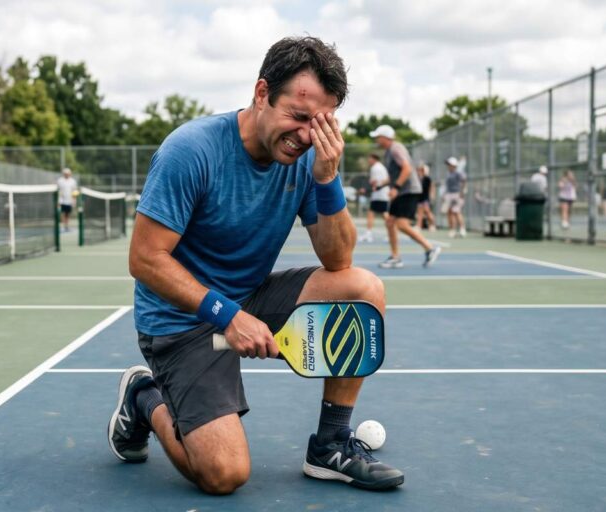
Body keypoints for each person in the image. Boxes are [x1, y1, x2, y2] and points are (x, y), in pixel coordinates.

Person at [107, 36, 404, 495]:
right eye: (298, 117)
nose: (307, 135)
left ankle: (330, 445)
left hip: (248, 296)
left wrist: (327, 179)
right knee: (224, 475)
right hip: (179, 321)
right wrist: (229, 316)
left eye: (320, 122)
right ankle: (144, 396)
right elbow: (145, 259)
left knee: (362, 289)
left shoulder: (309, 159)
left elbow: (338, 260)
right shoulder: (191, 150)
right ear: (261, 93)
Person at [370, 124, 441, 268]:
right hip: (403, 191)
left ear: (385, 137)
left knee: (401, 224)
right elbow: (394, 176)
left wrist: (396, 188)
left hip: (409, 191)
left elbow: (407, 168)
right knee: (390, 222)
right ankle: (396, 257)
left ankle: (430, 248)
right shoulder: (389, 152)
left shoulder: (396, 148)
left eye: (378, 137)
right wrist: (380, 185)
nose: (376, 139)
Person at [358, 153, 390, 243]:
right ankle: (389, 233)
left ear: (374, 159)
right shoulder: (381, 167)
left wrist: (365, 189)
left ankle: (369, 234)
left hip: (379, 195)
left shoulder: (375, 168)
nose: (368, 161)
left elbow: (375, 182)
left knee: (373, 213)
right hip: (381, 194)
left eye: (369, 159)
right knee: (382, 214)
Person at [441, 157, 467, 238]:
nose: (448, 166)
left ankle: (462, 229)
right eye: (448, 164)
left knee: (457, 212)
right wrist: (444, 195)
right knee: (449, 212)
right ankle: (452, 230)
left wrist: (462, 192)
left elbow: (464, 181)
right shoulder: (449, 174)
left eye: (450, 164)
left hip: (457, 194)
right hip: (449, 195)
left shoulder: (458, 173)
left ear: (454, 165)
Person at [415, 163, 436, 232]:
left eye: (421, 170)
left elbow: (432, 188)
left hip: (425, 198)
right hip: (419, 198)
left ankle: (432, 225)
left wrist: (432, 196)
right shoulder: (418, 178)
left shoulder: (427, 179)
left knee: (427, 212)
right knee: (420, 213)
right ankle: (419, 226)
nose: (419, 171)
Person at [56, 167, 78, 232]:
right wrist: (58, 200)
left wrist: (74, 200)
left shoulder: (73, 181)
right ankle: (63, 226)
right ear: (64, 174)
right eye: (65, 173)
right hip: (62, 200)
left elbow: (74, 191)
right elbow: (58, 190)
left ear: (70, 174)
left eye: (68, 173)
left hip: (69, 201)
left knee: (67, 214)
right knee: (62, 213)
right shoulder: (60, 180)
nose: (67, 174)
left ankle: (66, 226)